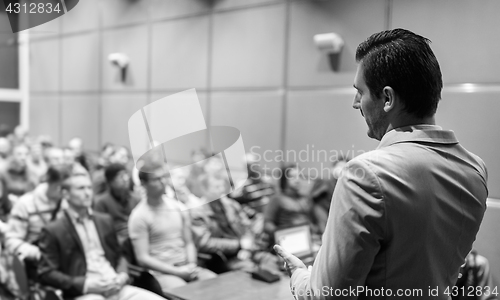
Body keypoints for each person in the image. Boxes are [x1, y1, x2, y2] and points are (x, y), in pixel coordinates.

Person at [275, 28, 488, 300]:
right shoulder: (475, 170)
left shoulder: (364, 175)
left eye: (359, 91)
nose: (356, 103)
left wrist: (299, 275)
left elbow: (326, 295)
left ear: (387, 99)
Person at [36, 171, 164, 300]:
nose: (87, 193)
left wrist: (122, 275)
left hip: (116, 285)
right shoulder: (53, 230)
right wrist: (84, 284)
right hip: (86, 292)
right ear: (65, 194)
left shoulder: (104, 220)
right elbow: (46, 273)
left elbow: (119, 255)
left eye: (89, 188)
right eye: (81, 188)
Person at [128, 160, 216, 292]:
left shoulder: (178, 207)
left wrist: (191, 265)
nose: (162, 181)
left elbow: (189, 242)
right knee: (185, 293)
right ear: (144, 184)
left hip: (187, 266)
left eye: (164, 177)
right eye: (156, 179)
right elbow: (142, 258)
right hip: (163, 272)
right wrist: (177, 272)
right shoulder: (139, 216)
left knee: (217, 284)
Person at [94, 163, 140, 245]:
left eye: (126, 175)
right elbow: (101, 230)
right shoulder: (101, 202)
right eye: (121, 176)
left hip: (137, 237)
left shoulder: (136, 199)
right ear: (110, 182)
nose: (125, 179)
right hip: (116, 242)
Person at [309, 156, 349, 234]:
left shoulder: (348, 188)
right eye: (339, 166)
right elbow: (312, 200)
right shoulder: (323, 183)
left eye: (344, 167)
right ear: (332, 169)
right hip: (323, 215)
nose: (341, 169)